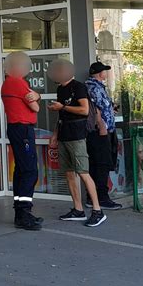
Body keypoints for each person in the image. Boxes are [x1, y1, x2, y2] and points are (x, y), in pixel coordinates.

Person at [47, 59, 107, 227]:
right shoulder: (61, 89)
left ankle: (97, 210)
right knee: (69, 173)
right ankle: (78, 209)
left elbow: (84, 110)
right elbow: (61, 115)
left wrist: (62, 107)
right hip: (64, 134)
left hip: (77, 135)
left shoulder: (78, 87)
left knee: (83, 171)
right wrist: (55, 134)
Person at [1, 52, 43, 230]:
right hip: (23, 129)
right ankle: (24, 213)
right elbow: (35, 106)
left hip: (16, 128)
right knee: (29, 171)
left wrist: (36, 96)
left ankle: (21, 211)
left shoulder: (7, 83)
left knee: (21, 170)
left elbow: (35, 98)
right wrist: (36, 97)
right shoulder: (18, 82)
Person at [85, 62, 122, 210]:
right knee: (101, 164)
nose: (106, 74)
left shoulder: (98, 87)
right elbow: (96, 109)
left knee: (100, 164)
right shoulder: (93, 88)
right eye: (104, 71)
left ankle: (93, 196)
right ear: (100, 73)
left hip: (104, 131)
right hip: (100, 132)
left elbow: (103, 106)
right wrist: (101, 126)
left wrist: (111, 107)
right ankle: (101, 197)